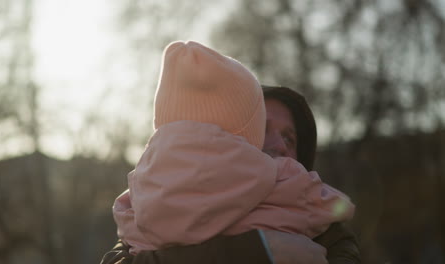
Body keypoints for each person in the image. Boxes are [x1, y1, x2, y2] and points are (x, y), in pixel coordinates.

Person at [101, 43, 360, 264]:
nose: (279, 145)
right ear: (225, 139)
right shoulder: (150, 205)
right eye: (263, 128)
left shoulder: (322, 225)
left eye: (289, 138)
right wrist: (258, 249)